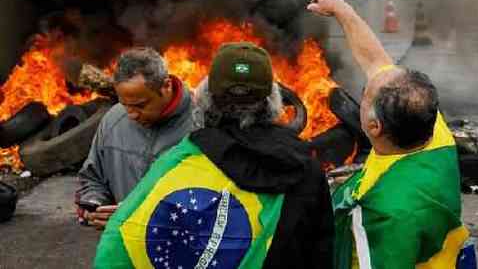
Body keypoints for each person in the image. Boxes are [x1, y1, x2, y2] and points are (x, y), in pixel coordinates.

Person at [94, 42, 334, 268]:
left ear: (206, 98)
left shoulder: (180, 161)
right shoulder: (307, 168)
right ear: (273, 100)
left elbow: (125, 239)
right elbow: (321, 252)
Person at [305, 0, 470, 269]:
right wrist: (340, 9)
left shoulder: (384, 214)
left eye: (365, 95)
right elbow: (375, 60)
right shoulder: (435, 134)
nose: (366, 82)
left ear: (374, 126)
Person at [77, 47, 194, 230]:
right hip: (122, 248)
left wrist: (141, 216)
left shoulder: (201, 125)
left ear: (166, 86)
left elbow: (215, 200)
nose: (131, 115)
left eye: (140, 105)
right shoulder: (113, 121)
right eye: (124, 105)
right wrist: (94, 204)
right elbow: (92, 178)